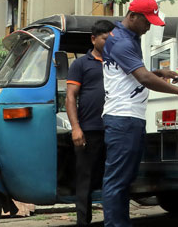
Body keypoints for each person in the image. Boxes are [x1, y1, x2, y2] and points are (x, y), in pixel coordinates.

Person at [101, 0, 178, 227]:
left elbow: (133, 72)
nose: (149, 26)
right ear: (132, 16)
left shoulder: (126, 38)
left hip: (129, 117)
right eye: (146, 21)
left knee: (124, 179)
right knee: (117, 180)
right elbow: (142, 77)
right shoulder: (123, 42)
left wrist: (159, 72)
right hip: (123, 118)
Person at [65, 20, 115, 225]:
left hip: (114, 129)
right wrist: (76, 128)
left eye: (112, 39)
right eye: (105, 39)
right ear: (94, 39)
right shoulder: (80, 64)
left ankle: (112, 221)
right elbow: (70, 98)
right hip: (89, 130)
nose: (109, 42)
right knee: (84, 181)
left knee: (112, 180)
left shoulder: (116, 62)